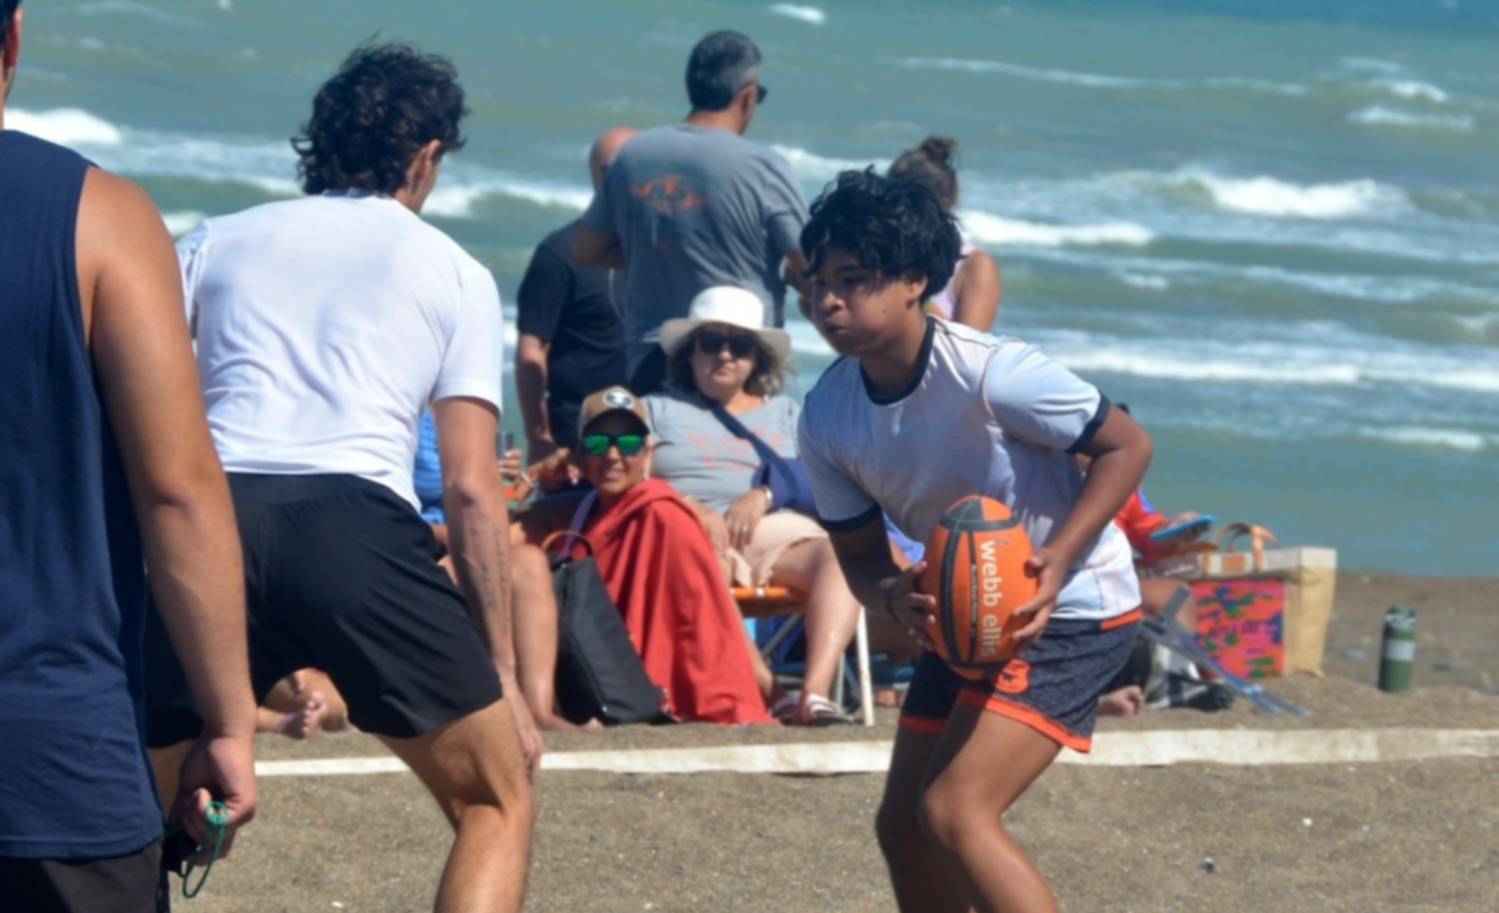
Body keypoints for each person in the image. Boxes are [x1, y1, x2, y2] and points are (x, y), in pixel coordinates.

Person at [143, 43, 537, 913]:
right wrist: (503, 672)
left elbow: (141, 417)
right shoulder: (456, 271)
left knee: (135, 812)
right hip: (355, 531)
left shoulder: (213, 239)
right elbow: (473, 488)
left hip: (211, 521)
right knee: (494, 799)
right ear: (426, 157)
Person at [795, 169, 1153, 913]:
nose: (827, 300)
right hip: (970, 613)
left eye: (852, 279)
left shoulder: (994, 373)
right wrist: (893, 594)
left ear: (914, 281)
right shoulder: (826, 414)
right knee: (903, 826)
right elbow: (859, 558)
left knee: (955, 812)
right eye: (818, 282)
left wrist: (1057, 560)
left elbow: (1127, 445)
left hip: (1072, 609)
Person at [0, 2, 258, 907]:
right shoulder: (98, 216)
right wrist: (227, 720)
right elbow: (177, 490)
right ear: (14, 37)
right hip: (50, 750)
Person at [645, 285, 861, 724]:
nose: (725, 355)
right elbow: (631, 478)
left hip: (772, 529)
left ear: (755, 358)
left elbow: (829, 479)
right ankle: (772, 691)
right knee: (697, 559)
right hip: (688, 529)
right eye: (711, 342)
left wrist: (765, 494)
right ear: (690, 352)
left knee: (841, 558)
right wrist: (687, 505)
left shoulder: (785, 412)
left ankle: (815, 695)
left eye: (740, 345)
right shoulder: (655, 409)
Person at [517, 387, 772, 725]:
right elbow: (496, 530)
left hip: (637, 686)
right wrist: (531, 477)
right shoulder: (579, 510)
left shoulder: (664, 515)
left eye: (628, 444)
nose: (612, 455)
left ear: (647, 455)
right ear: (580, 456)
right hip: (590, 676)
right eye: (597, 444)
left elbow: (702, 619)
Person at [574, 30, 810, 395]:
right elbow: (809, 264)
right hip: (738, 359)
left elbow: (588, 249)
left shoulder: (633, 157)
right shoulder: (763, 167)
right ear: (747, 95)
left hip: (652, 356)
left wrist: (663, 253)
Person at [515, 127, 635, 459]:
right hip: (579, 441)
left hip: (648, 438)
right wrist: (539, 437)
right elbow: (532, 350)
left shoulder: (666, 252)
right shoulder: (560, 252)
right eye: (614, 172)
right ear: (600, 176)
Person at [889, 136, 1001, 332]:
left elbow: (969, 346)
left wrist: (916, 296)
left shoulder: (973, 265)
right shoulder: (879, 255)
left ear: (946, 202)